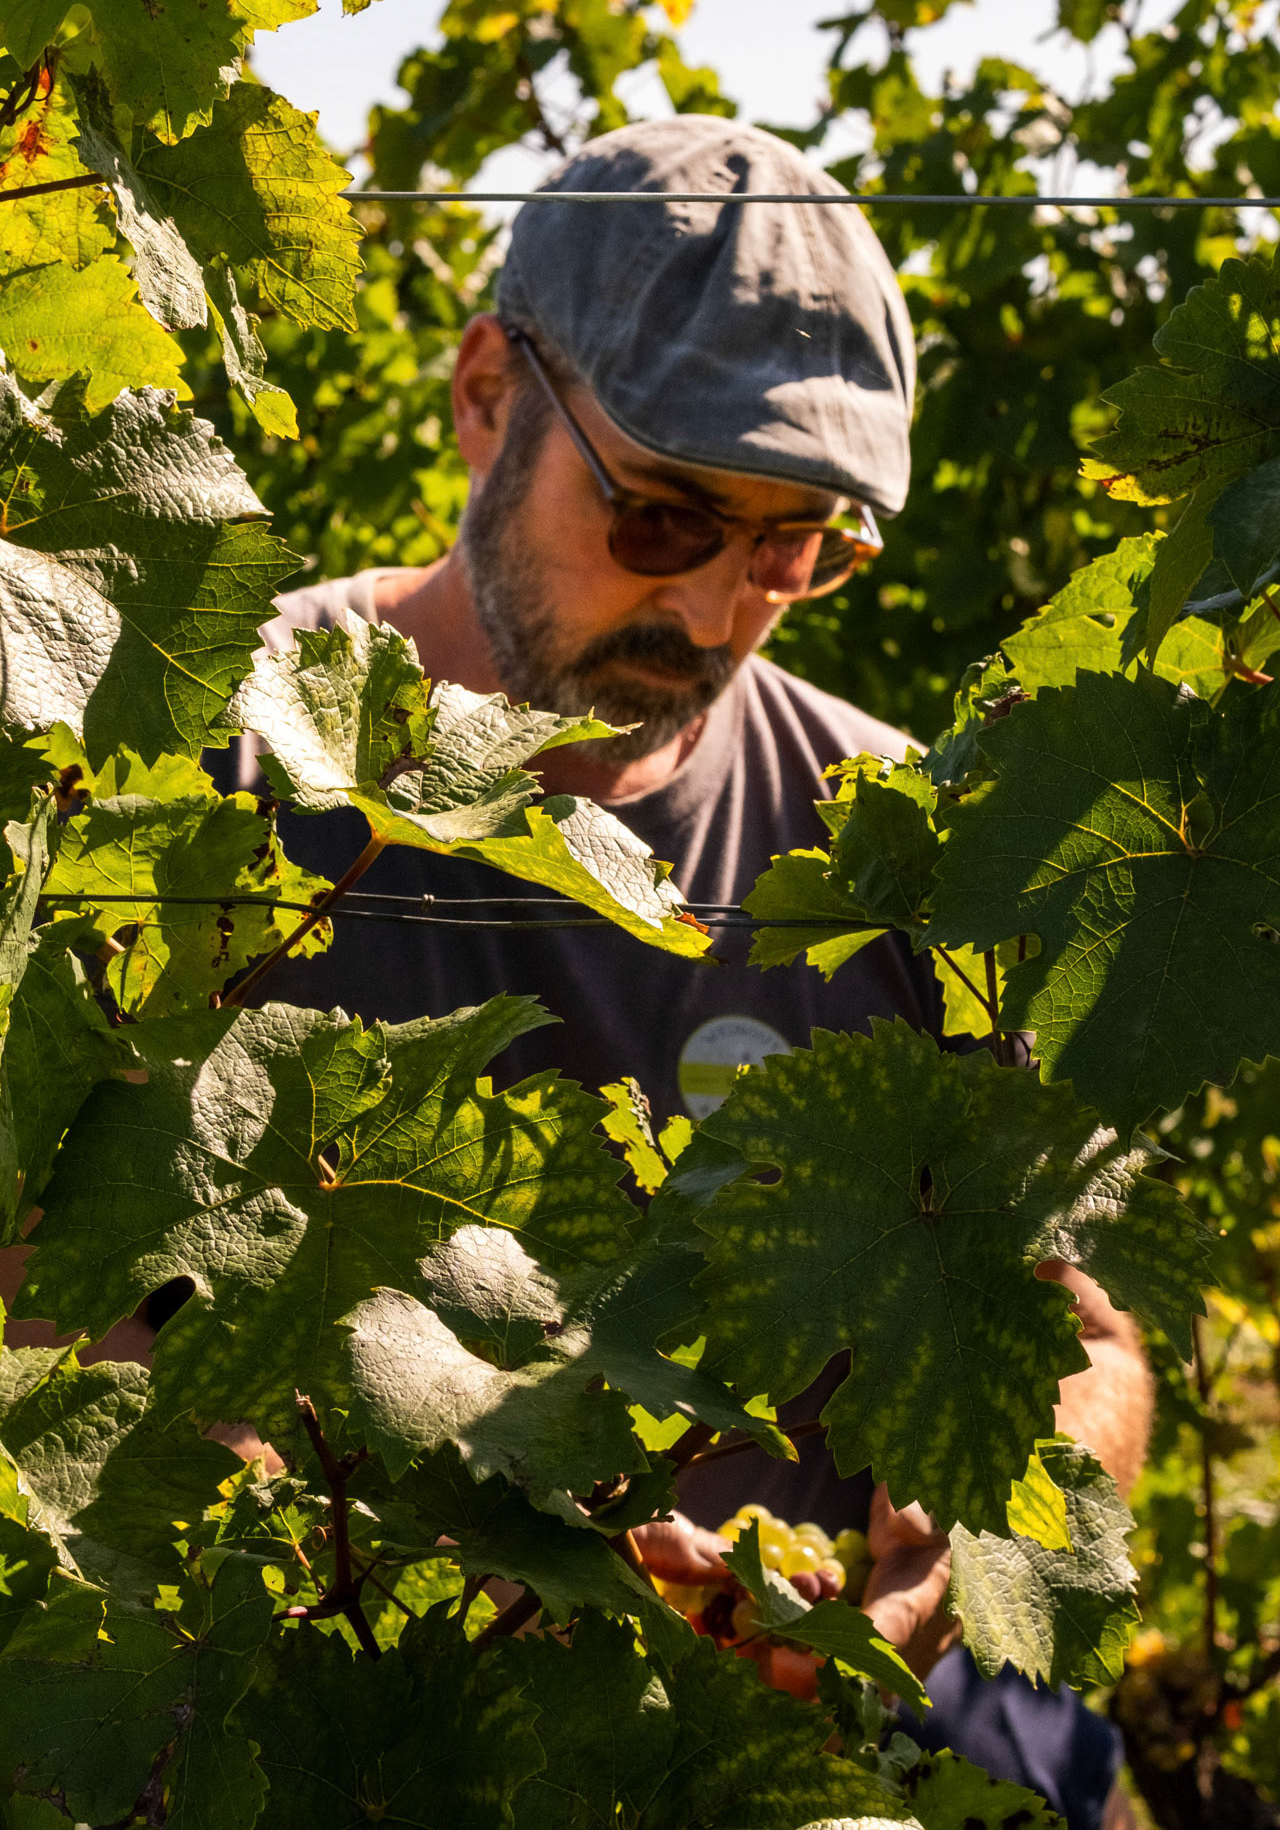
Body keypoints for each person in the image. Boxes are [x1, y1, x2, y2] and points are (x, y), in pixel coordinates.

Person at [219, 117, 1146, 1829]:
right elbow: (58, 1329)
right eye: (661, 518)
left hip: (811, 1750)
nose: (720, 612)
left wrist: (989, 1531)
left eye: (798, 547)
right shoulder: (214, 771)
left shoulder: (903, 853)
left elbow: (1084, 1340)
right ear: (486, 395)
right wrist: (449, 1566)